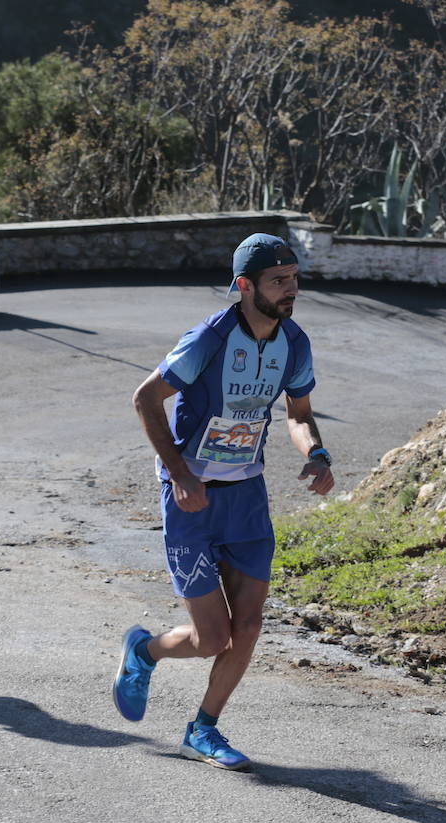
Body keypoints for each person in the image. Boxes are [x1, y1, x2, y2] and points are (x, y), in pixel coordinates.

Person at [114, 233, 335, 770]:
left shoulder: (294, 343)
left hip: (247, 497)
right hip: (191, 500)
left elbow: (299, 414)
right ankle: (145, 650)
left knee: (250, 627)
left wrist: (316, 452)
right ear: (245, 286)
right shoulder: (208, 339)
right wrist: (180, 473)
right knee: (213, 638)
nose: (290, 290)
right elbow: (146, 398)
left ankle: (202, 730)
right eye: (278, 281)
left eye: (294, 279)